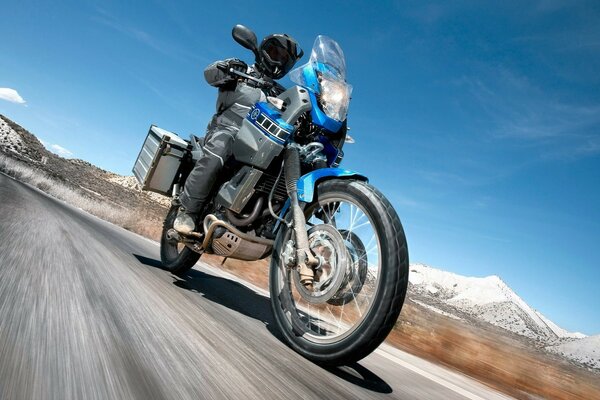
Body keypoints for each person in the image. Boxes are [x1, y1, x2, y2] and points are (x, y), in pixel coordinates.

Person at [174, 32, 303, 234]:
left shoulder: (280, 93)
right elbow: (209, 75)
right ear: (263, 50)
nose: (278, 59)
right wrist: (228, 67)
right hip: (226, 129)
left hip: (258, 144)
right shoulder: (242, 72)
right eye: (274, 52)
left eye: (284, 58)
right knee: (222, 147)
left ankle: (270, 225)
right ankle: (187, 210)